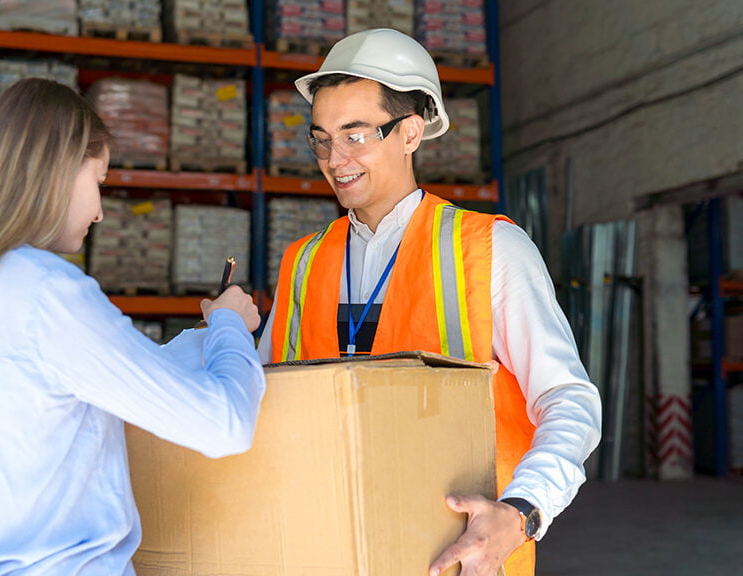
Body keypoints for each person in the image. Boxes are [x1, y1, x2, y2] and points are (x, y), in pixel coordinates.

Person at [0, 78, 265, 576]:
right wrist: (233, 326)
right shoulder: (48, 293)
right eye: (98, 181)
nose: (101, 211)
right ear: (57, 172)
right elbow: (224, 424)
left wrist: (203, 340)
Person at [256, 29, 602, 576]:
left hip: (460, 555)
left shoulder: (489, 249)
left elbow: (569, 401)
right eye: (321, 138)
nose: (334, 158)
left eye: (356, 135)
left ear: (411, 132)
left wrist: (519, 513)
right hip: (327, 546)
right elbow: (261, 397)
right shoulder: (302, 263)